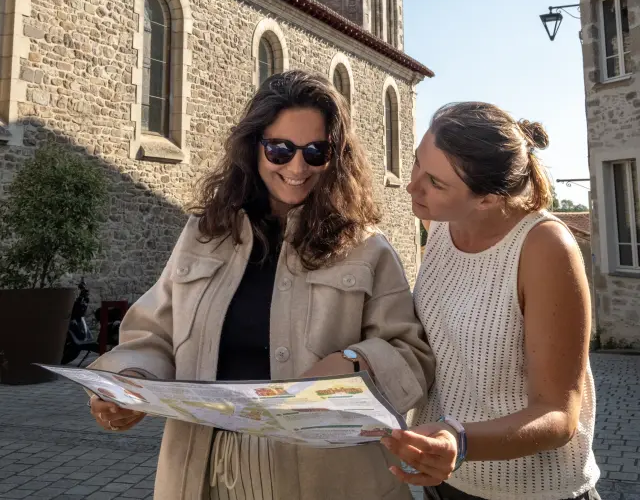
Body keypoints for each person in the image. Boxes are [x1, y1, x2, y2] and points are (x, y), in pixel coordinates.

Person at [88, 70, 438, 500]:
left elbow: (411, 354)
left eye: (315, 152)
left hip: (329, 481)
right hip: (203, 473)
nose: (297, 167)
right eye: (280, 149)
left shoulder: (367, 249)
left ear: (336, 157)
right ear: (254, 147)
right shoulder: (203, 234)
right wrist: (130, 383)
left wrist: (354, 361)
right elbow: (155, 333)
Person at [383, 102, 600, 500]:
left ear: (485, 199)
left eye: (435, 181)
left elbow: (558, 415)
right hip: (446, 483)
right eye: (416, 163)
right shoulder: (440, 225)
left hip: (533, 492)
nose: (413, 185)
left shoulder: (544, 247)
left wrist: (461, 441)